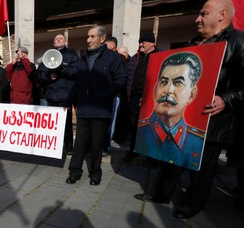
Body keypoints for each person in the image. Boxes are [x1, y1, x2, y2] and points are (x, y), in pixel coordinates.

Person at [134, 0, 244, 219]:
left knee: (203, 167)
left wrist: (226, 99)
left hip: (215, 118)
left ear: (221, 15)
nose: (197, 19)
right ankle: (161, 192)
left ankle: (191, 204)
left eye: (203, 14)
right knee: (172, 154)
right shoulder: (193, 42)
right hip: (187, 114)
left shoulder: (238, 41)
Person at [66, 26, 127, 185]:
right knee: (79, 142)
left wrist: (105, 94)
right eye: (88, 36)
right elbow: (77, 83)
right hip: (83, 108)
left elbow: (121, 79)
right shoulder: (83, 58)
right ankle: (74, 172)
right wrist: (69, 101)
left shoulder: (112, 58)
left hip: (100, 109)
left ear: (102, 38)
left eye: (92, 37)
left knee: (97, 143)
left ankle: (95, 173)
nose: (88, 40)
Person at [135, 52, 205, 170]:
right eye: (163, 82)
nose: (168, 90)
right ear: (155, 89)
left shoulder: (197, 142)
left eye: (178, 83)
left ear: (191, 95)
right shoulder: (141, 132)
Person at [38, 34, 80, 155]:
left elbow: (76, 71)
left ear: (65, 41)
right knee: (53, 124)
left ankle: (69, 146)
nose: (58, 40)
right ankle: (54, 146)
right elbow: (41, 74)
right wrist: (48, 77)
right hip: (51, 95)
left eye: (60, 38)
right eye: (56, 39)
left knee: (66, 123)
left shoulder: (71, 55)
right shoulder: (48, 55)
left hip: (65, 95)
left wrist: (62, 69)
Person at [124, 31, 162, 161]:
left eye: (143, 42)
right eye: (140, 42)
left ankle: (151, 155)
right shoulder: (135, 58)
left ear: (152, 43)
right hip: (134, 98)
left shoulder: (160, 56)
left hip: (151, 99)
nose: (141, 44)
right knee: (134, 125)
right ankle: (133, 150)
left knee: (151, 127)